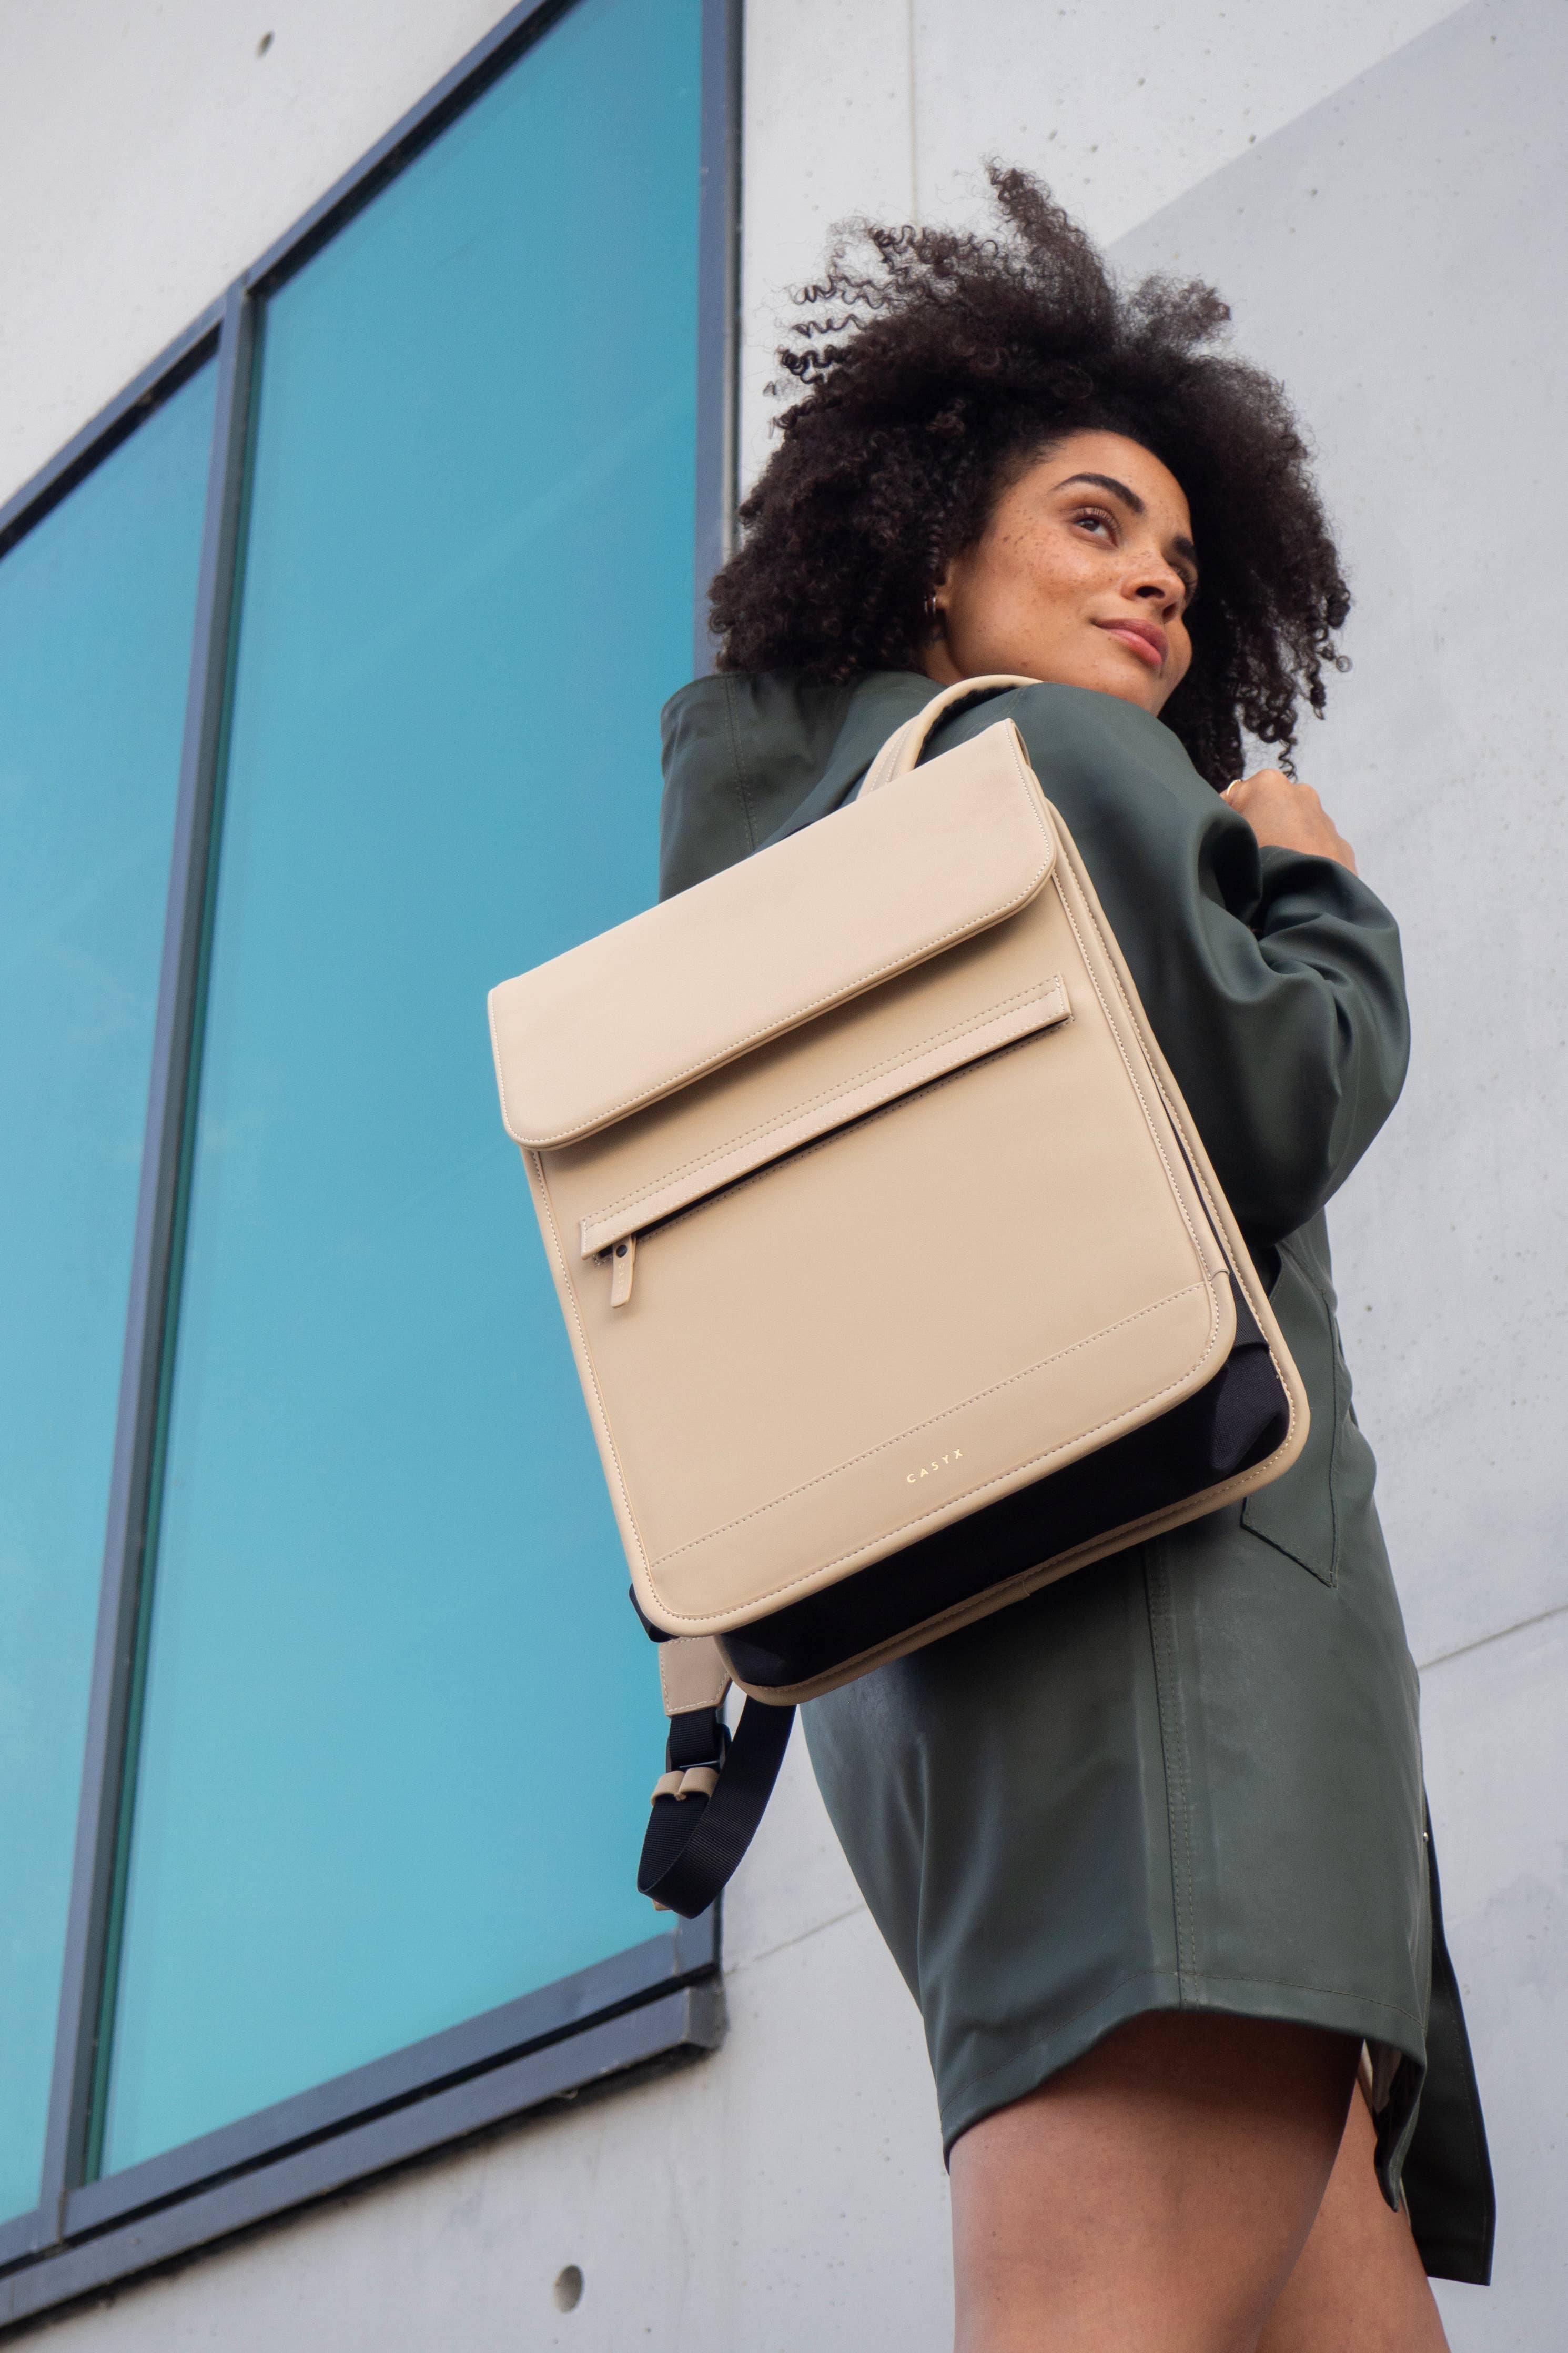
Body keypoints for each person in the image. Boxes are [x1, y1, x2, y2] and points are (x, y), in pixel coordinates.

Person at [658, 170, 1493, 2351]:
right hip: (1178, 1674)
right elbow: (1279, 1098)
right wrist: (1313, 894)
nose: (1153, 591)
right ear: (935, 556)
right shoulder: (1054, 758)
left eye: (1180, 563)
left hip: (970, 1677)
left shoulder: (807, 859)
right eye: (1097, 522)